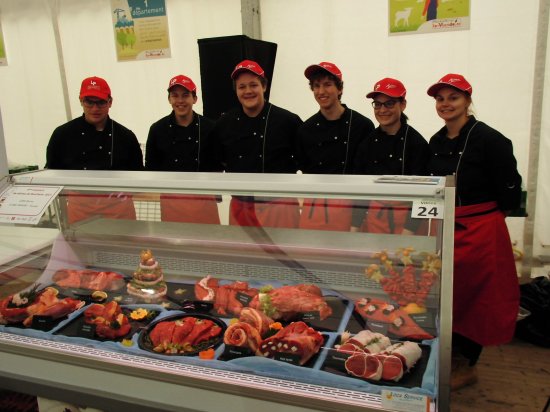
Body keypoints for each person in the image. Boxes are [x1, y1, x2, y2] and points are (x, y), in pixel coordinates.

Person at [425, 73, 522, 390]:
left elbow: (509, 190)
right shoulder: (436, 142)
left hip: (481, 229)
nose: (445, 104)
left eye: (453, 97)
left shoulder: (491, 139)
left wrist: (486, 220)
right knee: (448, 295)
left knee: (478, 298)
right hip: (445, 226)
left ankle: (468, 364)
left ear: (467, 100)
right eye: (440, 98)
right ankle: (448, 355)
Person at [210, 59, 302, 228]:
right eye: (242, 87)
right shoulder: (224, 124)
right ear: (236, 91)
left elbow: (303, 160)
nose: (248, 91)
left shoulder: (288, 121)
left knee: (284, 254)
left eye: (253, 85)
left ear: (264, 87)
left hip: (281, 205)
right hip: (240, 206)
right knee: (242, 254)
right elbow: (218, 161)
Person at [46, 76, 143, 224]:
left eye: (101, 102)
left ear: (110, 102)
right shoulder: (62, 134)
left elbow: (138, 175)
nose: (95, 108)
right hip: (80, 209)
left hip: (118, 209)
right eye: (89, 102)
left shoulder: (125, 136)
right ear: (80, 101)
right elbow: (52, 172)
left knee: (123, 246)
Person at [296, 62, 375, 231]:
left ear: (340, 89)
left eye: (327, 85)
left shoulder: (362, 125)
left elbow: (366, 175)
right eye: (316, 86)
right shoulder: (306, 129)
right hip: (314, 209)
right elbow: (303, 168)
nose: (321, 91)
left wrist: (358, 219)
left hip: (352, 208)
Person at [351, 77, 430, 234]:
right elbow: (360, 188)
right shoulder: (367, 143)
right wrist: (355, 226)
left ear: (403, 104)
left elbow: (425, 194)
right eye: (377, 104)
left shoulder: (416, 143)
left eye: (389, 103)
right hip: (375, 221)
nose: (382, 110)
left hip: (409, 223)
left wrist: (409, 229)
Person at [145, 74, 220, 224]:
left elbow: (218, 165)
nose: (180, 101)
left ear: (195, 99)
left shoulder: (211, 127)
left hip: (205, 201)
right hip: (171, 202)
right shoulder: (157, 129)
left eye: (185, 95)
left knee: (209, 243)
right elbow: (151, 168)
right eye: (175, 96)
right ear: (169, 99)